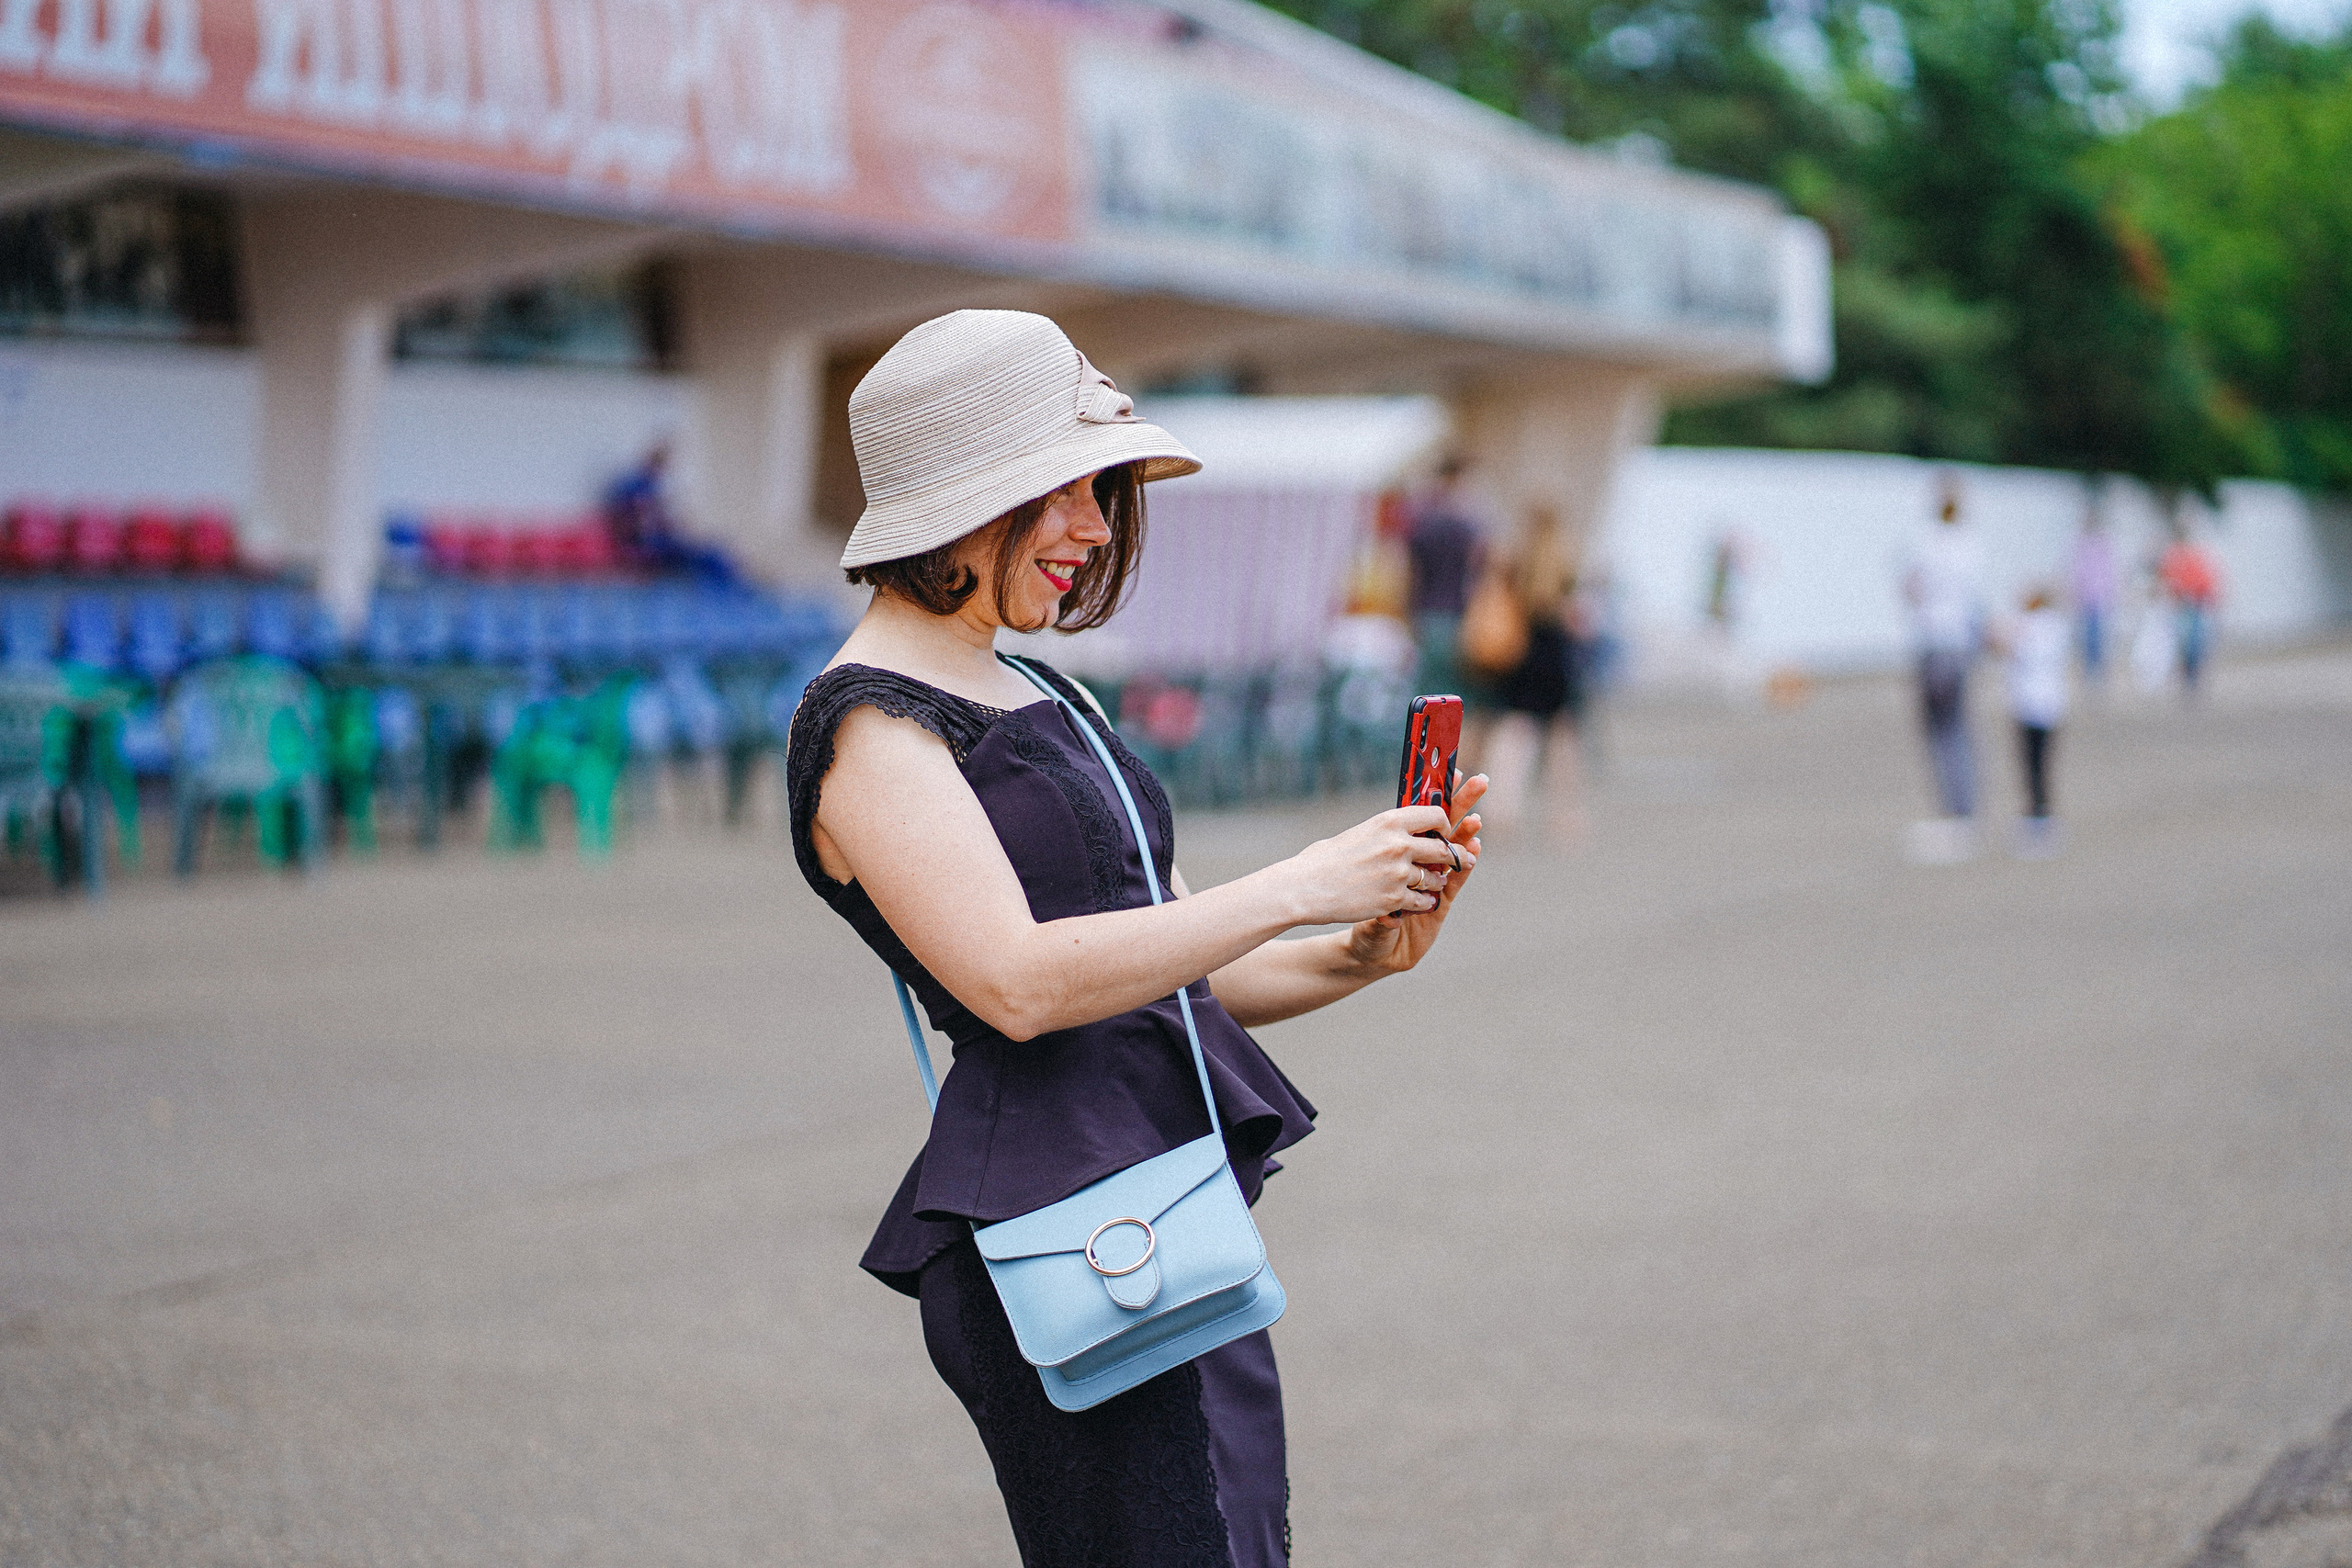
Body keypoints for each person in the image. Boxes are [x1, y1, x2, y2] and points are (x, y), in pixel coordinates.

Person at [784, 310, 1487, 1568]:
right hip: (1064, 1232)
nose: (1099, 526)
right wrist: (1304, 880)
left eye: (1102, 490)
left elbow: (1166, 969)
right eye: (1065, 490)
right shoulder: (870, 726)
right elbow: (1016, 980)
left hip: (1163, 1208)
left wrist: (1359, 948)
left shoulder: (1044, 685)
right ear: (961, 496)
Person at [1477, 503, 1584, 841]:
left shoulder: (1516, 558)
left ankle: (1501, 810)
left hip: (1523, 654)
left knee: (1513, 734)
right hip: (1555, 655)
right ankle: (1564, 818)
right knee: (1560, 740)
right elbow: (1574, 615)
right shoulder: (1564, 561)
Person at [1901, 473, 1986, 863]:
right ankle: (1965, 809)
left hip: (1934, 642)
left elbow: (1911, 588)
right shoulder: (1971, 542)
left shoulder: (1926, 540)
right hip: (1961, 643)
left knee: (1939, 730)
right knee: (1960, 726)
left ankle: (1954, 814)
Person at [1404, 456, 1484, 700]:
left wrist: (1408, 614)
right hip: (1459, 619)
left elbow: (1411, 576)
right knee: (1454, 698)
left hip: (1427, 616)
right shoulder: (1470, 526)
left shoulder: (1423, 523)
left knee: (1423, 698)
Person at [2003, 585, 2070, 857]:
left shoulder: (2029, 626)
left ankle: (2038, 819)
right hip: (2052, 707)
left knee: (2032, 766)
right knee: (2041, 766)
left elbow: (2012, 652)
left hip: (2030, 706)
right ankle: (2041, 816)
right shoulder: (2057, 627)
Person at [2158, 525, 2222, 697]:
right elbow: (2168, 580)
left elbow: (2205, 579)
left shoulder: (2192, 554)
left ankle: (2192, 680)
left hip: (2195, 604)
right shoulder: (2174, 556)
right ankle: (2187, 680)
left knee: (2194, 643)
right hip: (2182, 605)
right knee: (2185, 644)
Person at [2068, 501, 2119, 686]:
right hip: (2086, 599)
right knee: (2088, 640)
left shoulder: (2103, 542)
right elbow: (2076, 571)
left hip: (2098, 598)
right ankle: (2091, 675)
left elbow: (2109, 571)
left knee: (2098, 640)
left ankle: (2098, 676)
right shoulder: (2081, 542)